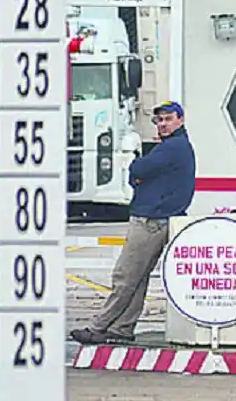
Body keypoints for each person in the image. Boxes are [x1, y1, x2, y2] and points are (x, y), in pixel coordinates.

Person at [70, 101, 197, 344]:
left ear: (180, 120)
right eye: (159, 120)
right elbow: (140, 173)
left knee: (125, 276)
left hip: (150, 219)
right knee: (138, 278)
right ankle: (122, 328)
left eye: (168, 119)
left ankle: (99, 326)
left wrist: (138, 173)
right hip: (160, 217)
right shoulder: (178, 146)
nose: (163, 124)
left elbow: (139, 167)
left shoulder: (172, 148)